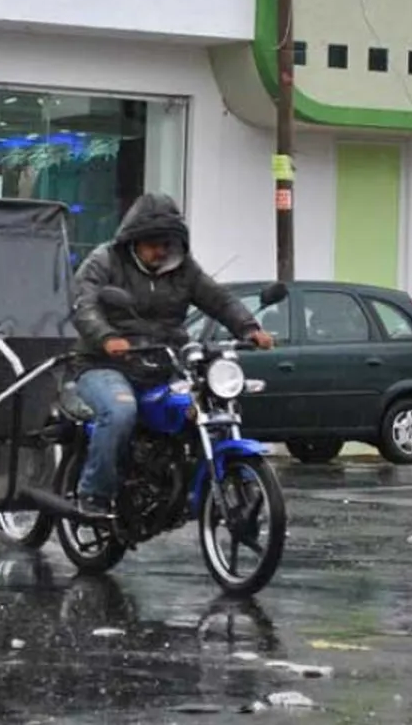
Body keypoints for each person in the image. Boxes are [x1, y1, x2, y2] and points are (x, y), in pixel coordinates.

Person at [70, 193, 274, 517]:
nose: (161, 250)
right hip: (105, 364)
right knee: (120, 412)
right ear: (133, 240)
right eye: (153, 243)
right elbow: (84, 304)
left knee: (208, 409)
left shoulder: (184, 268)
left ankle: (194, 488)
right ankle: (94, 493)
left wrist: (249, 329)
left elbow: (219, 300)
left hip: (164, 364)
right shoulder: (105, 260)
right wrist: (107, 337)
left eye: (167, 243)